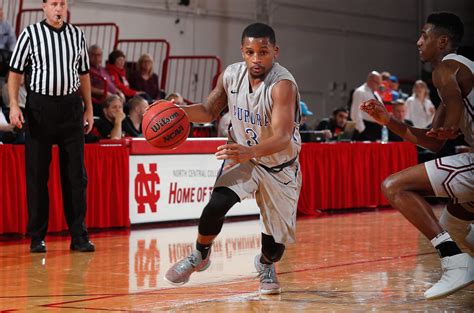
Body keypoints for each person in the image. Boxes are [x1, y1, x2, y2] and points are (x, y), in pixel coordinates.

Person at [163, 23, 301, 295]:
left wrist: (250, 151)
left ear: (275, 52)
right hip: (244, 157)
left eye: (263, 52)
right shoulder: (231, 75)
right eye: (250, 52)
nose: (256, 59)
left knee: (275, 249)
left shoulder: (282, 85)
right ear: (242, 51)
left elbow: (283, 136)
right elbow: (207, 110)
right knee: (216, 205)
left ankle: (265, 264)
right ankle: (199, 256)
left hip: (279, 166)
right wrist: (178, 111)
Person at [360, 12, 473, 299]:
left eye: (425, 35)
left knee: (393, 186)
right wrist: (389, 121)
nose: (418, 41)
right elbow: (432, 142)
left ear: (442, 41)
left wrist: (450, 126)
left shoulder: (446, 68)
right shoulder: (457, 73)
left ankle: (455, 263)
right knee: (454, 227)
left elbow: (454, 106)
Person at [8, 0, 95, 253]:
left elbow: (84, 74)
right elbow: (15, 73)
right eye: (54, 4)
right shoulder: (30, 34)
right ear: (44, 7)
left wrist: (88, 107)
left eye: (63, 3)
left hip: (70, 109)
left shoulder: (77, 35)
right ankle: (37, 237)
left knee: (76, 176)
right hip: (40, 108)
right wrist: (14, 105)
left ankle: (79, 236)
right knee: (37, 175)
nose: (59, 8)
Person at [88, 45, 125, 113]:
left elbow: (111, 84)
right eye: (93, 55)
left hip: (113, 98)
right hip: (100, 100)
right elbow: (87, 87)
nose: (96, 57)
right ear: (88, 55)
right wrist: (103, 92)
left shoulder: (104, 69)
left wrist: (119, 92)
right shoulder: (87, 70)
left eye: (99, 55)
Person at [350, 71, 383, 141]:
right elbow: (355, 113)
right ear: (370, 80)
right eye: (377, 82)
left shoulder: (376, 94)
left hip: (376, 128)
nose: (379, 85)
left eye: (380, 83)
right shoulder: (360, 92)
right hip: (366, 128)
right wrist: (362, 130)